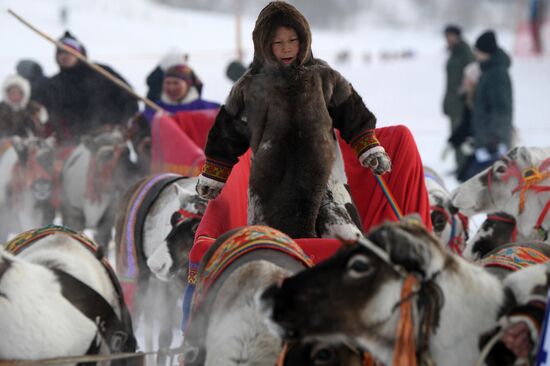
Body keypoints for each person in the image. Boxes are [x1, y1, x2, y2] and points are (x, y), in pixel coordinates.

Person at [195, 1, 393, 239]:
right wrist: (215, 172)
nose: (286, 49)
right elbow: (227, 133)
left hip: (326, 181)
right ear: (264, 45)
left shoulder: (323, 77)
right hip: (271, 188)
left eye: (292, 41)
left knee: (346, 240)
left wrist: (367, 146)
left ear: (304, 40)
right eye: (278, 43)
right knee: (274, 247)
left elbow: (353, 113)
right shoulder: (249, 87)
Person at [42, 31, 138, 145]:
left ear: (80, 53)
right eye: (61, 52)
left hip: (108, 135)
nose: (65, 55)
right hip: (73, 142)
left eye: (70, 51)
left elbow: (129, 97)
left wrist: (120, 123)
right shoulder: (53, 84)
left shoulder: (101, 72)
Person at [463, 30, 513, 179]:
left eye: (478, 50)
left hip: (493, 144)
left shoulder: (496, 73)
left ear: (486, 51)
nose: (476, 54)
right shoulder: (488, 71)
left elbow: (501, 109)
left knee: (485, 187)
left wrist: (494, 138)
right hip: (485, 140)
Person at [442, 25, 474, 178]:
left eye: (450, 35)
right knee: (455, 134)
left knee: (461, 135)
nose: (448, 39)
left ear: (457, 36)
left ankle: (465, 168)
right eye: (446, 36)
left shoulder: (465, 52)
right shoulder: (454, 52)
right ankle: (459, 166)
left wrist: (465, 95)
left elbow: (471, 76)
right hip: (453, 102)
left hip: (462, 103)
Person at [142, 64, 219, 122]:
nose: (171, 87)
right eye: (168, 83)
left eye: (176, 83)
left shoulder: (209, 108)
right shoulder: (153, 110)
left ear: (188, 85)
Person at [0, 74, 51, 138]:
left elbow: (43, 121)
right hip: (6, 142)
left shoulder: (33, 107)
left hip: (32, 140)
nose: (15, 96)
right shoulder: (2, 108)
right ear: (7, 94)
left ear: (23, 93)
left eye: (18, 93)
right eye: (12, 93)